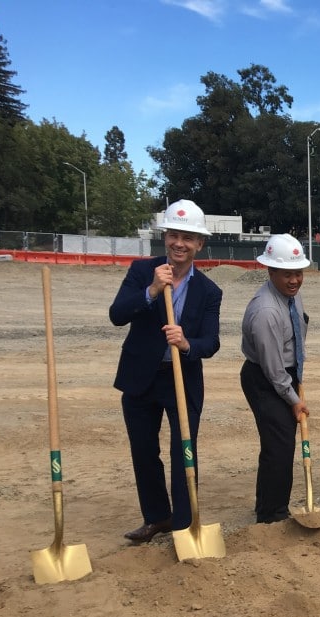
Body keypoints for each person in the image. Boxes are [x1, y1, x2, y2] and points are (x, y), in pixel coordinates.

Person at [109, 199, 222, 543]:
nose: (179, 243)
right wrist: (152, 291)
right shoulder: (142, 271)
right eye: (174, 235)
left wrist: (187, 344)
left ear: (199, 244)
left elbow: (211, 342)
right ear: (165, 236)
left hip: (181, 378)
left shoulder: (209, 291)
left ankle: (185, 526)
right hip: (141, 377)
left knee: (183, 451)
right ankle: (157, 517)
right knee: (143, 451)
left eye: (188, 238)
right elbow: (117, 314)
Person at [240, 234, 311, 524]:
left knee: (280, 443)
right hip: (265, 379)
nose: (294, 280)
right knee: (279, 444)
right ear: (270, 271)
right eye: (287, 274)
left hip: (285, 374)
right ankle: (272, 515)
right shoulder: (266, 311)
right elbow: (272, 370)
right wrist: (294, 400)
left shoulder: (290, 295)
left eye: (298, 273)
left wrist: (299, 376)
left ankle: (269, 505)